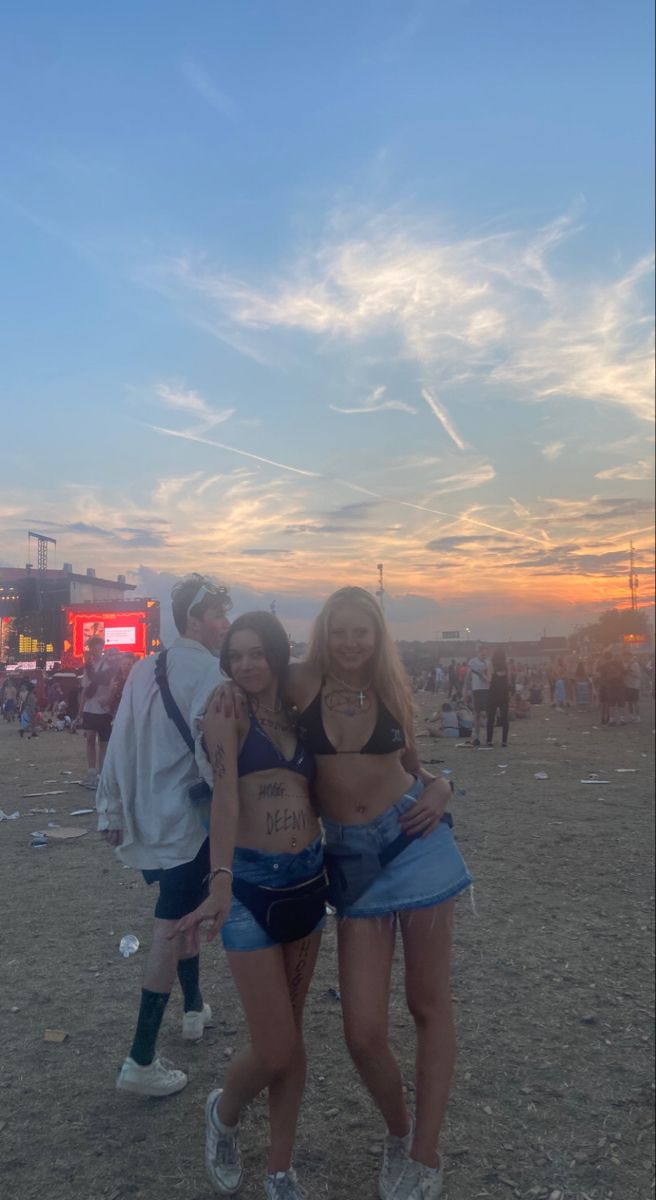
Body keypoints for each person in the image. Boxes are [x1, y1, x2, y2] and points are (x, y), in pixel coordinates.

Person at [175, 613, 325, 1200]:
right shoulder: (225, 711)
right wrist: (220, 880)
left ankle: (280, 1171)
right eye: (236, 654)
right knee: (275, 1044)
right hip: (252, 888)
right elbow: (225, 801)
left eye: (257, 653)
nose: (246, 664)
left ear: (277, 654)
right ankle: (224, 1112)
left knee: (293, 1036)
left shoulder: (295, 707)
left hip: (309, 882)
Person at [96, 574, 232, 1097]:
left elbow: (118, 742)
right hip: (189, 823)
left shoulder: (142, 669)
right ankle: (141, 1059)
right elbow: (213, 756)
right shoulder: (212, 673)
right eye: (217, 614)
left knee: (184, 912)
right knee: (171, 926)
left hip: (150, 817)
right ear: (193, 620)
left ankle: (194, 1007)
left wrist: (110, 808)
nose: (224, 623)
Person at [79, 636, 116, 789]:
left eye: (97, 646)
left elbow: (112, 684)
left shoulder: (109, 664)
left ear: (102, 646)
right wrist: (80, 711)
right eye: (92, 646)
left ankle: (101, 773)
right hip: (90, 707)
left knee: (103, 743)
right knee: (89, 739)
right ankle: (91, 772)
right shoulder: (88, 665)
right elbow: (84, 689)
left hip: (103, 708)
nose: (95, 649)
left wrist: (109, 701)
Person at [485, 649, 510, 748]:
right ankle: (504, 741)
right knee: (504, 719)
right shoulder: (506, 665)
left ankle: (489, 741)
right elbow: (508, 680)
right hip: (504, 694)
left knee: (490, 718)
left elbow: (489, 679)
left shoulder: (491, 664)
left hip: (493, 694)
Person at [465, 646, 490, 746]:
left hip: (486, 690)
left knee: (488, 714)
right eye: (483, 653)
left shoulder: (488, 662)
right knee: (477, 714)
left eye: (486, 654)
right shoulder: (473, 662)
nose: (484, 655)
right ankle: (476, 737)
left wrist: (482, 674)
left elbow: (489, 678)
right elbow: (468, 677)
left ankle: (488, 737)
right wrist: (466, 689)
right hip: (476, 690)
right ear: (479, 652)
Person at [624, 653, 641, 723]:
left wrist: (630, 672)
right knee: (629, 702)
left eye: (627, 656)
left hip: (634, 686)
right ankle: (631, 717)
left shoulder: (635, 664)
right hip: (628, 686)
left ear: (630, 656)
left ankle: (638, 717)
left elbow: (638, 675)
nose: (626, 658)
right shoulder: (626, 664)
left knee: (635, 702)